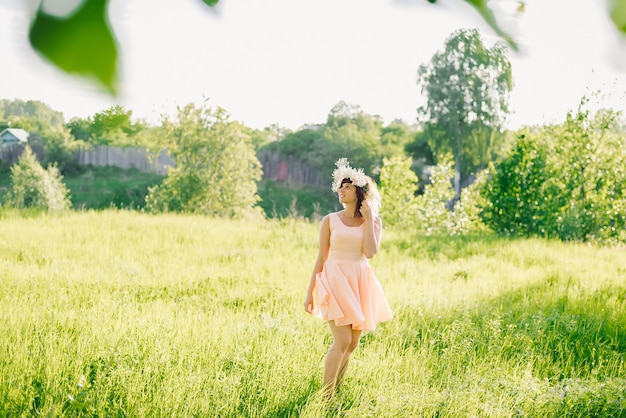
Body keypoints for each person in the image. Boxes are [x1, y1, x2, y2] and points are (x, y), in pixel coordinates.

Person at [304, 158, 393, 399]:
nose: (340, 191)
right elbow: (321, 258)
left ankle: (336, 389)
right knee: (342, 340)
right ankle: (326, 397)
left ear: (359, 191)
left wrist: (370, 218)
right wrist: (310, 291)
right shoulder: (330, 220)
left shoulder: (373, 222)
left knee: (352, 344)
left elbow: (371, 252)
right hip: (335, 279)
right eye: (339, 187)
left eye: (347, 187)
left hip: (360, 280)